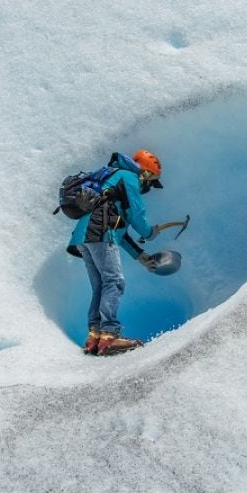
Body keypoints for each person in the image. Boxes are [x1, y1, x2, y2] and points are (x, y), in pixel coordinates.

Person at [67, 150, 164, 356]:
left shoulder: (111, 177)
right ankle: (109, 335)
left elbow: (119, 228)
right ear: (145, 173)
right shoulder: (128, 176)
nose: (149, 187)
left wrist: (140, 255)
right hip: (100, 232)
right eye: (151, 180)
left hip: (84, 236)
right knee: (114, 282)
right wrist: (149, 233)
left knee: (101, 285)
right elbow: (136, 213)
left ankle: (95, 336)